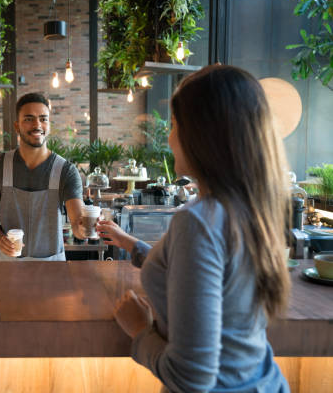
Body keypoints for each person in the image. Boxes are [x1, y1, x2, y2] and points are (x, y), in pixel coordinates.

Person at [97, 65, 291, 392]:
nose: (170, 137)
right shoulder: (251, 208)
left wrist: (140, 332)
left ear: (201, 136)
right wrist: (130, 244)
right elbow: (208, 275)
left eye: (174, 125)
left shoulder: (199, 222)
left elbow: (191, 378)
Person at [0, 92, 85, 261]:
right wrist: (0, 238)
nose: (37, 124)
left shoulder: (65, 170)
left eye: (43, 119)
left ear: (49, 125)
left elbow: (76, 223)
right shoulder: (0, 166)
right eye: (29, 119)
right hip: (7, 264)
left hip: (51, 266)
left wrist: (85, 228)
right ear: (17, 126)